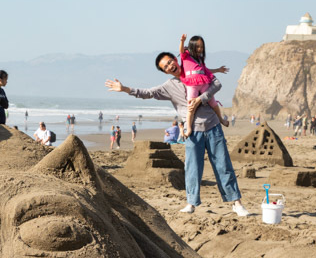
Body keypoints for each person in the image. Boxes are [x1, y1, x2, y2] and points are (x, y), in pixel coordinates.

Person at [104, 51, 250, 216]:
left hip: (213, 127)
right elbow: (148, 93)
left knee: (223, 166)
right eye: (165, 67)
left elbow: (216, 83)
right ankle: (191, 203)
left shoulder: (197, 70)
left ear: (175, 59)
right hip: (192, 132)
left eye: (169, 62)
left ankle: (236, 203)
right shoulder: (169, 87)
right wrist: (124, 89)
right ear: (165, 72)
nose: (169, 66)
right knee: (193, 169)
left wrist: (201, 98)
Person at [177, 33, 229, 137]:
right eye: (198, 46)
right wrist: (182, 41)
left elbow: (206, 70)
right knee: (191, 106)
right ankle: (189, 129)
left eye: (202, 47)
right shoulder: (186, 55)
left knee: (213, 102)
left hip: (203, 82)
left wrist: (218, 70)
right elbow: (181, 50)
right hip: (192, 84)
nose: (200, 49)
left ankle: (221, 119)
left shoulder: (200, 60)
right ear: (192, 46)